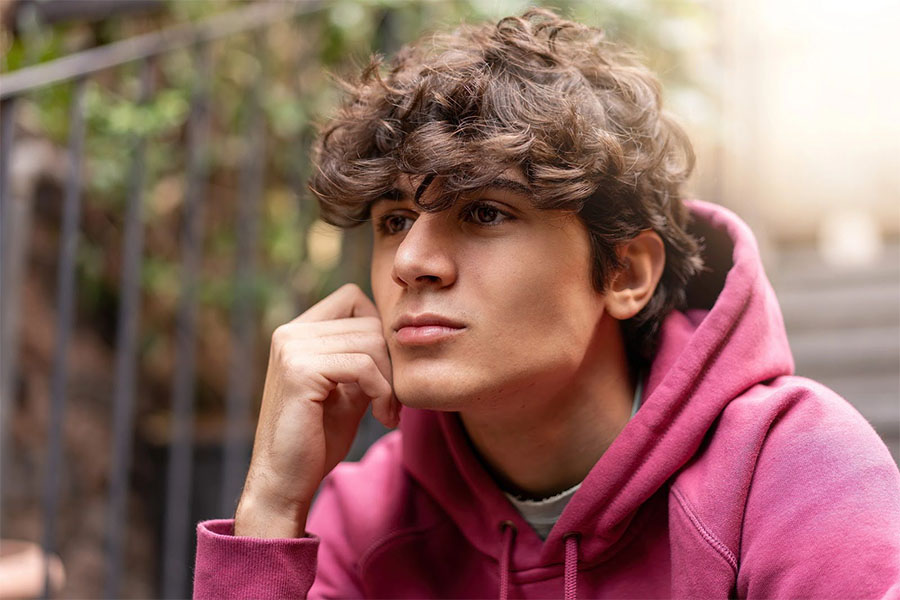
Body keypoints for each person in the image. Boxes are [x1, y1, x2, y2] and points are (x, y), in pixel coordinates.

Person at [193, 9, 900, 599]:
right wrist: (271, 511)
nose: (411, 262)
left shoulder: (795, 472)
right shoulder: (366, 520)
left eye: (485, 213)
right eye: (395, 220)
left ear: (626, 272)